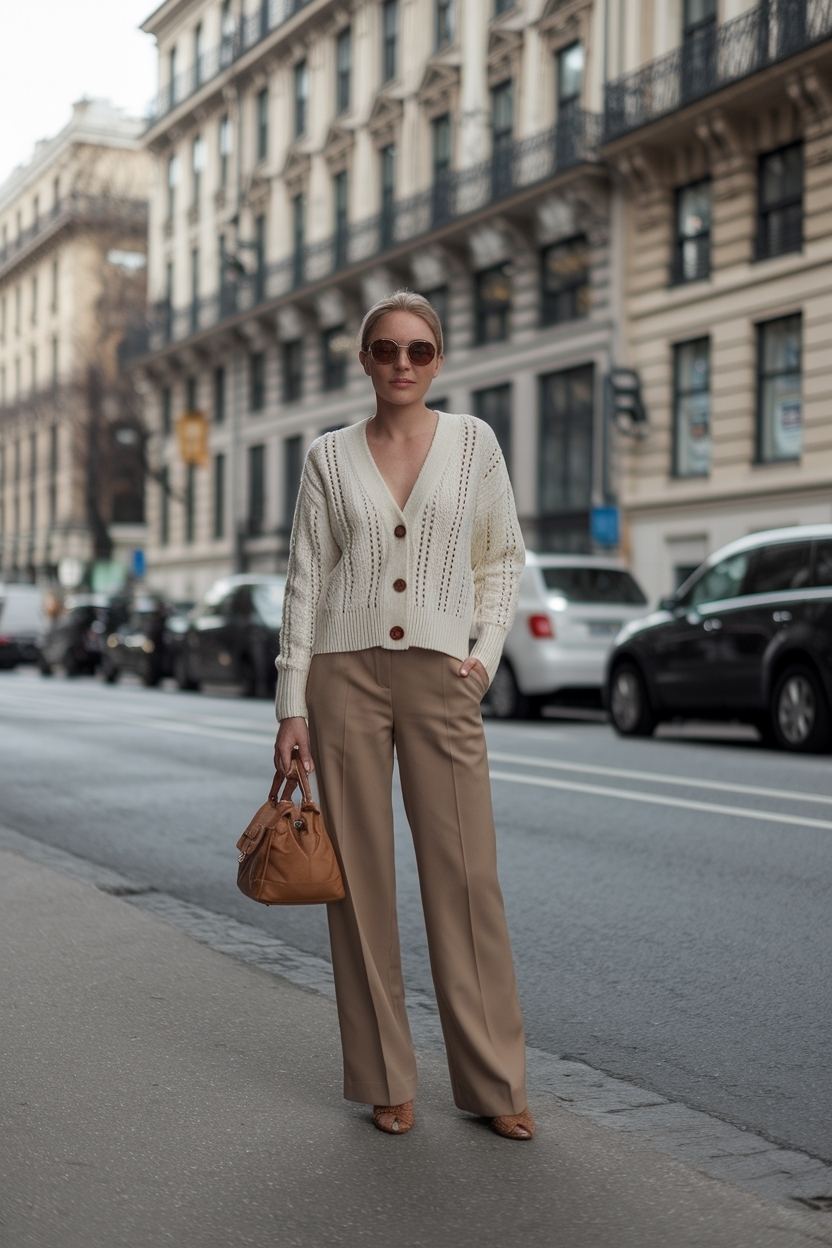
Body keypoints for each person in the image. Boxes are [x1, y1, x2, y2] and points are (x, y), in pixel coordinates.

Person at [273, 289, 534, 1141]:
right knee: (359, 882)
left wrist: (484, 655)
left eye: (419, 350)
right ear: (365, 360)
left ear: (439, 359)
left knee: (466, 877)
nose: (402, 364)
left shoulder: (473, 445)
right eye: (386, 349)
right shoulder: (327, 456)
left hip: (441, 674)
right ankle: (385, 1075)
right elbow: (304, 582)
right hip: (342, 676)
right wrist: (290, 704)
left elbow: (501, 559)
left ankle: (494, 1081)